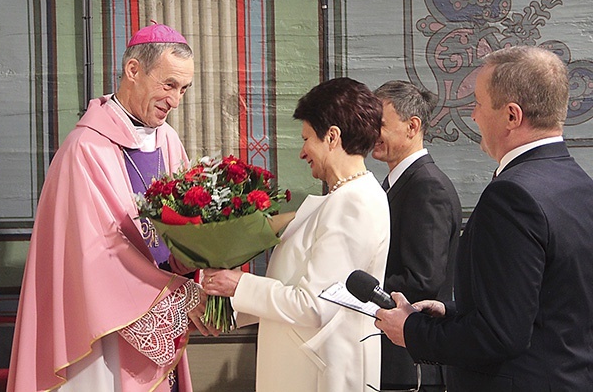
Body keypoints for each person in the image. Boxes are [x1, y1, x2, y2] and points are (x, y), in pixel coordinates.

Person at [7, 23, 218, 392]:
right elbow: (97, 255)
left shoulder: (167, 141)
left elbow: (182, 227)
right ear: (133, 70)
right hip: (100, 334)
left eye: (184, 89)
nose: (176, 100)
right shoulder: (85, 149)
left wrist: (197, 259)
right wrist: (179, 294)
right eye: (168, 85)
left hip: (158, 303)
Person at [376, 46, 593, 391]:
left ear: (511, 116)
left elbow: (499, 337)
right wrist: (454, 312)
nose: (473, 116)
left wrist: (412, 331)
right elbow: (545, 306)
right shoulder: (579, 183)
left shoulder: (511, 196)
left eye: (477, 102)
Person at [203, 77, 390, 392]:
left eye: (307, 139)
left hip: (320, 376)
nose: (303, 152)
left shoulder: (354, 202)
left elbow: (315, 306)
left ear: (332, 137)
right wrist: (227, 312)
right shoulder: (338, 199)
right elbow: (290, 286)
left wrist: (239, 285)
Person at [371, 80, 462, 391]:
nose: (372, 133)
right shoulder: (394, 183)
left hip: (412, 366)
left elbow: (423, 280)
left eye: (379, 124)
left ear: (412, 126)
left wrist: (358, 284)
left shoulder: (427, 186)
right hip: (392, 358)